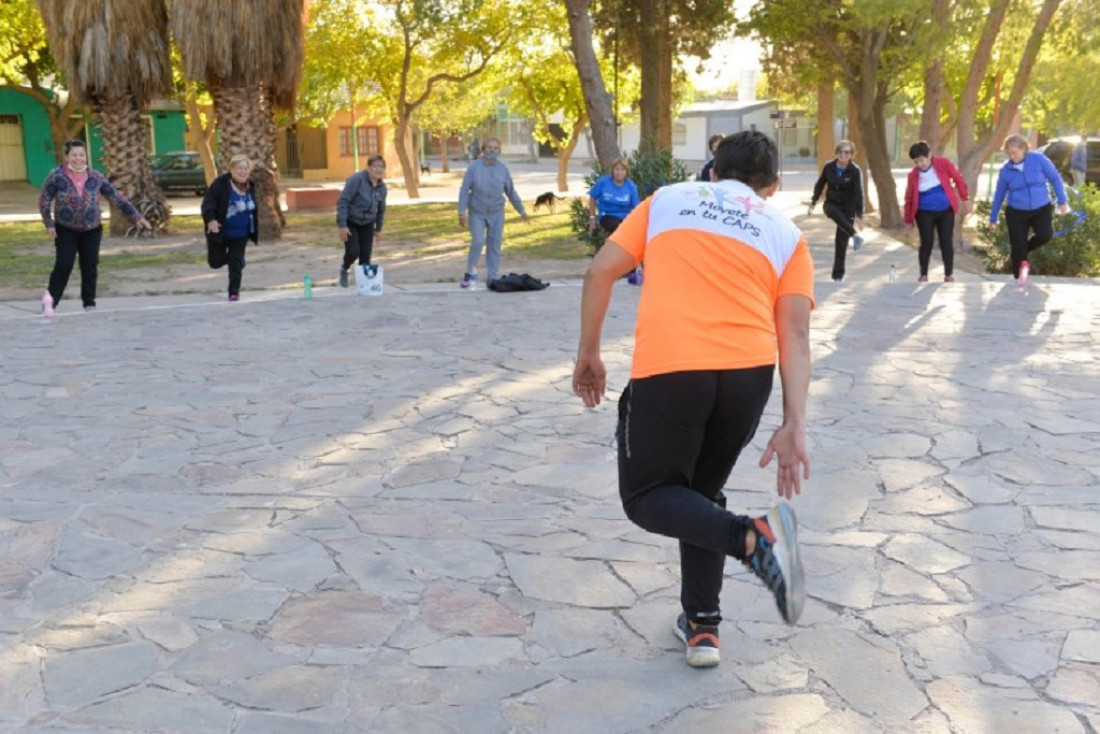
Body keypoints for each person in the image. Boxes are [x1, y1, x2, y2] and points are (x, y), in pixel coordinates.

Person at [572, 130, 812, 669]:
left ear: (711, 171)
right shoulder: (785, 232)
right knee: (701, 495)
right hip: (749, 377)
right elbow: (794, 332)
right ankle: (702, 625)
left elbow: (600, 271)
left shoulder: (668, 201)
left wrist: (588, 353)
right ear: (772, 186)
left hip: (674, 368)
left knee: (648, 496)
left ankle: (758, 541)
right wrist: (794, 420)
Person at [37, 139, 152, 315]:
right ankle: (50, 302)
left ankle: (89, 302)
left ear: (86, 156)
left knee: (90, 265)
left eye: (81, 155)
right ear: (67, 157)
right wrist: (48, 222)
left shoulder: (96, 177)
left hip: (92, 229)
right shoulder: (57, 176)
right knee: (64, 264)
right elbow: (44, 199)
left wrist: (136, 216)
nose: (78, 158)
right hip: (65, 229)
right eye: (74, 155)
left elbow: (116, 197)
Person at [989, 134, 1069, 288]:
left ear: (1024, 148)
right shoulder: (1006, 170)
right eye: (1009, 154)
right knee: (1017, 247)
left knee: (1045, 235)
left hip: (1041, 207)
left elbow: (1055, 178)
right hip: (1016, 212)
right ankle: (1020, 279)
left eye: (1015, 153)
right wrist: (993, 217)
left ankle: (1022, 251)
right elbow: (999, 195)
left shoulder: (1038, 160)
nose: (1012, 157)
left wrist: (1062, 201)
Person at [457, 137, 528, 288]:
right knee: (477, 241)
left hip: (496, 212)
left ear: (499, 151)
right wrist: (461, 211)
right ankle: (470, 274)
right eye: (489, 147)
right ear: (483, 150)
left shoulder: (503, 169)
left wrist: (521, 210)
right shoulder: (474, 167)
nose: (492, 150)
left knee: (494, 244)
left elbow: (510, 191)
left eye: (496, 148)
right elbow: (464, 190)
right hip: (477, 211)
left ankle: (492, 277)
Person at [903, 141, 970, 283]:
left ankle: (948, 274)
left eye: (922, 160)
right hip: (924, 212)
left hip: (945, 211)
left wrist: (965, 198)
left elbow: (958, 178)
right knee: (926, 242)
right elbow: (908, 199)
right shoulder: (913, 176)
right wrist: (909, 221)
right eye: (916, 162)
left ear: (929, 155)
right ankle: (923, 274)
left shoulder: (942, 164)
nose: (920, 164)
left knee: (946, 241)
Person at [201, 154, 258, 302]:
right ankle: (237, 261)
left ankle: (234, 293)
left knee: (235, 264)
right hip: (220, 232)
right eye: (240, 168)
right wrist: (211, 220)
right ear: (231, 170)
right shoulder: (220, 184)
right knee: (215, 262)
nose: (243, 171)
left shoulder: (251, 186)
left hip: (241, 233)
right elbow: (208, 203)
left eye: (246, 168)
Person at [808, 140, 864, 282]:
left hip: (848, 208)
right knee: (830, 210)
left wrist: (859, 215)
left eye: (846, 152)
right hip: (832, 204)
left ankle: (838, 276)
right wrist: (814, 201)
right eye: (840, 151)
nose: (843, 154)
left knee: (841, 242)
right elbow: (820, 184)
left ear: (852, 154)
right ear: (836, 153)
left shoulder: (855, 171)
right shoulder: (829, 167)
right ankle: (855, 235)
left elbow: (858, 193)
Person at [336, 153, 387, 288]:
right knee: (353, 251)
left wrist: (378, 229)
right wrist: (342, 225)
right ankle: (345, 268)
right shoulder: (356, 180)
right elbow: (343, 201)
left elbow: (381, 210)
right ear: (368, 168)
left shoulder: (382, 188)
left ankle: (364, 287)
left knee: (365, 258)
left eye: (382, 167)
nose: (379, 169)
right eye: (376, 166)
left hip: (367, 224)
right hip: (351, 221)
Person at [587, 157, 640, 235]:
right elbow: (592, 197)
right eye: (617, 169)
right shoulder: (603, 182)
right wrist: (592, 218)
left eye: (622, 170)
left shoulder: (631, 187)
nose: (619, 172)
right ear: (612, 171)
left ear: (626, 172)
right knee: (617, 228)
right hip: (607, 216)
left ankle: (610, 244)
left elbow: (637, 207)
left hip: (625, 217)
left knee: (627, 230)